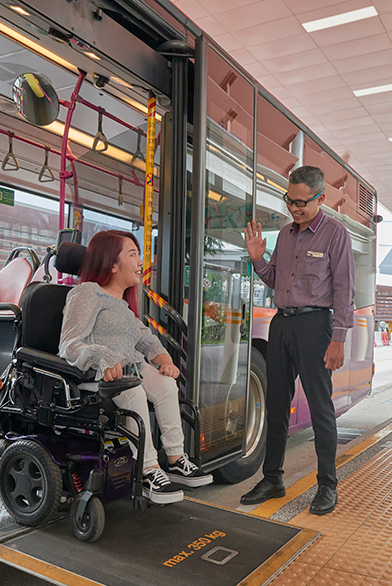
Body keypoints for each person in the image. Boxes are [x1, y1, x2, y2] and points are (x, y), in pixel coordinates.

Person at [56, 230, 212, 503]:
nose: (141, 261)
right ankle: (149, 470)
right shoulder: (87, 293)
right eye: (133, 254)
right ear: (111, 264)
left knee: (166, 384)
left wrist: (163, 359)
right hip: (99, 375)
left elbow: (145, 339)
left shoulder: (124, 308)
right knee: (134, 391)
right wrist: (103, 357)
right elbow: (69, 344)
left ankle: (176, 459)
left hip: (130, 371)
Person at [239, 165, 355, 515]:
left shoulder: (335, 234)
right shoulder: (286, 235)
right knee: (276, 404)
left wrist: (338, 338)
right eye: (290, 201)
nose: (294, 208)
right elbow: (277, 279)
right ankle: (272, 478)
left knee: (321, 408)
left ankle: (327, 485)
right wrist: (259, 260)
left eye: (302, 202)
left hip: (316, 327)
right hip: (282, 325)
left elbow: (344, 289)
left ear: (320, 198)